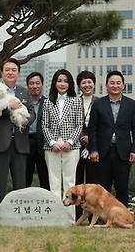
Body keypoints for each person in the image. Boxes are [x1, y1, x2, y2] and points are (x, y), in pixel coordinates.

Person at [0, 58, 35, 225]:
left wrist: (27, 119)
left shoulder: (24, 91)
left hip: (20, 142)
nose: (10, 72)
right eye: (7, 69)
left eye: (14, 70)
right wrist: (10, 109)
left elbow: (32, 112)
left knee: (21, 183)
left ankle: (19, 217)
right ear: (2, 72)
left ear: (18, 73)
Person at [87, 70, 135, 207]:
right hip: (102, 153)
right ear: (106, 85)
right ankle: (102, 217)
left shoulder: (132, 104)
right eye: (112, 83)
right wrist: (93, 150)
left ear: (123, 85)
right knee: (103, 188)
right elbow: (92, 129)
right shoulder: (98, 104)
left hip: (123, 153)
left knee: (122, 187)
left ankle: (122, 216)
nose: (115, 86)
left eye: (118, 83)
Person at [42, 69, 83, 221]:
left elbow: (79, 125)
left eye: (65, 81)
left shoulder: (76, 100)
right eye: (59, 80)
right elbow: (44, 125)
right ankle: (54, 218)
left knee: (69, 182)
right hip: (51, 146)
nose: (62, 84)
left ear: (70, 83)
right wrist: (52, 142)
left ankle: (69, 219)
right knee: (54, 182)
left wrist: (70, 142)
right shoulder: (47, 101)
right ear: (54, 83)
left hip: (71, 147)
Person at [25, 71, 50, 190]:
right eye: (31, 83)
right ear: (27, 86)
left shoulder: (49, 103)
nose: (34, 86)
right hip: (26, 143)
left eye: (37, 83)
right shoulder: (21, 103)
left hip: (43, 144)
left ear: (42, 85)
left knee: (45, 179)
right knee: (25, 179)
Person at [75, 70, 98, 186]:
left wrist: (91, 139)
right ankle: (76, 205)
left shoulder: (100, 102)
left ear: (94, 84)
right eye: (83, 83)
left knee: (93, 181)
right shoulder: (74, 102)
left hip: (95, 148)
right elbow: (71, 123)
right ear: (79, 85)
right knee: (76, 180)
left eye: (89, 82)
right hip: (76, 146)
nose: (87, 85)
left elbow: (103, 125)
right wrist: (81, 137)